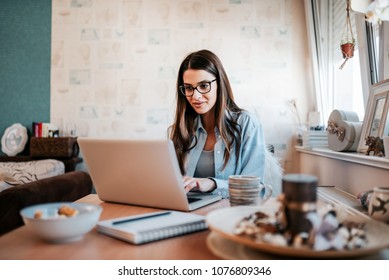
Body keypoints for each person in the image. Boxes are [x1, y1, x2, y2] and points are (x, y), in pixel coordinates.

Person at [169, 49, 266, 198]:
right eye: (188, 88)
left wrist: (213, 183)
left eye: (203, 86)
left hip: (230, 213)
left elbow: (254, 187)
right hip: (188, 210)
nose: (196, 96)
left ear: (219, 84)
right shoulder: (180, 130)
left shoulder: (247, 124)